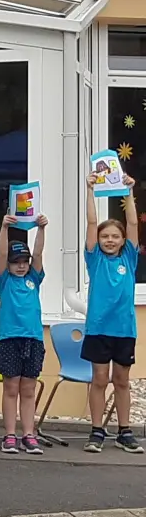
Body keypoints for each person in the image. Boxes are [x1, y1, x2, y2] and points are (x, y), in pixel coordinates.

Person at [83, 174, 141, 453]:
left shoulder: (129, 258)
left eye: (114, 236)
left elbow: (131, 222)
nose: (109, 240)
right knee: (99, 379)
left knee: (121, 380)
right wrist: (90, 190)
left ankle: (124, 431)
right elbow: (92, 222)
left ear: (122, 241)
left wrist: (129, 192)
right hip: (98, 329)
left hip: (124, 329)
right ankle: (96, 431)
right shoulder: (94, 259)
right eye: (105, 236)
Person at [0, 213, 49, 454]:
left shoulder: (33, 279)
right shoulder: (4, 280)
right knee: (11, 389)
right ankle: (9, 434)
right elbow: (1, 254)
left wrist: (41, 229)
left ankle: (29, 433)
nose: (21, 265)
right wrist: (4, 227)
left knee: (28, 389)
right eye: (16, 262)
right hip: (9, 339)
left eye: (23, 262)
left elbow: (37, 254)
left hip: (33, 339)